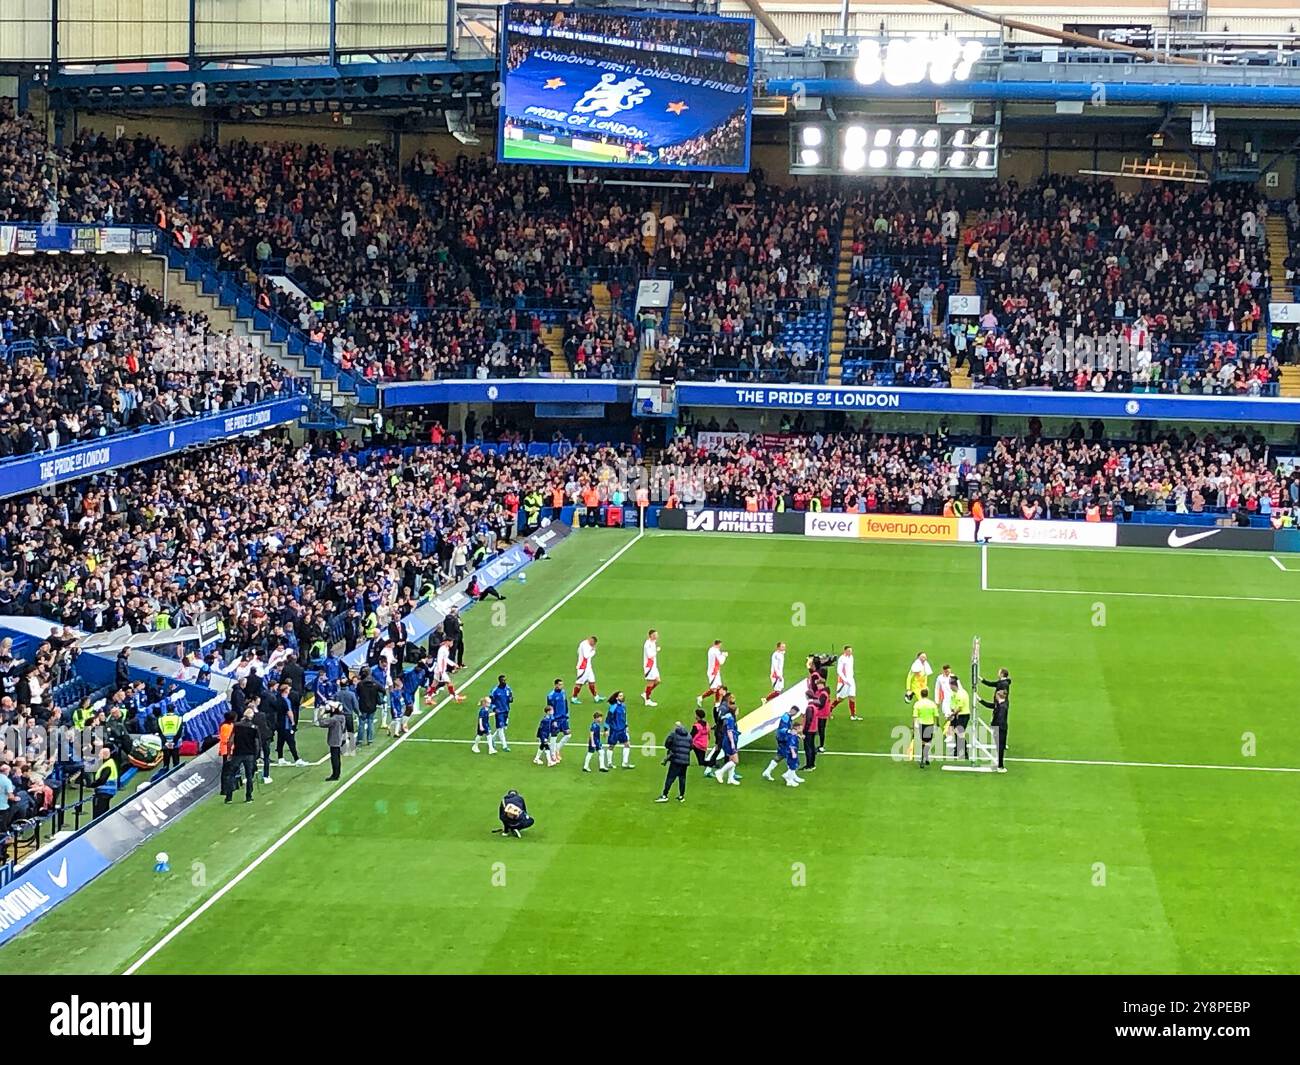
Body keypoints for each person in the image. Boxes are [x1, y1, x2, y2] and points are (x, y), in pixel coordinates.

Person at [271, 683, 307, 766]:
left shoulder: (278, 699)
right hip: (286, 724)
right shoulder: (286, 700)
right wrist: (293, 722)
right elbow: (289, 712)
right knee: (291, 742)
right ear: (285, 690)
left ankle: (280, 758)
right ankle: (297, 759)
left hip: (279, 723)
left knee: (280, 741)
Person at [656, 721, 692, 802]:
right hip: (685, 760)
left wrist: (672, 749)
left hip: (676, 759)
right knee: (682, 778)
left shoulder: (673, 734)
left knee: (670, 778)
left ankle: (665, 795)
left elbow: (667, 744)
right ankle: (681, 796)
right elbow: (691, 746)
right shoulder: (689, 736)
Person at [230, 709, 260, 802]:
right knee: (249, 776)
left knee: (232, 774)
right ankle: (248, 796)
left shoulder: (236, 725)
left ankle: (228, 796)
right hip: (249, 754)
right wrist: (257, 755)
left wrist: (229, 752)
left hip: (237, 753)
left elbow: (231, 740)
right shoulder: (254, 727)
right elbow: (257, 743)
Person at [978, 685, 1010, 772]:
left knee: (1000, 747)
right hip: (1000, 728)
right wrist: (981, 700)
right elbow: (991, 705)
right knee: (998, 746)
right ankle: (999, 764)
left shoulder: (1002, 707)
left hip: (1000, 729)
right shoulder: (1001, 704)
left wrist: (995, 726)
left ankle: (1000, 766)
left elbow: (1000, 718)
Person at [83, 746, 119, 818]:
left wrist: (91, 785)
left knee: (98, 813)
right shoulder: (110, 762)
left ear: (103, 755)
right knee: (105, 812)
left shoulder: (107, 766)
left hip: (103, 792)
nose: (98, 755)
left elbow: (102, 780)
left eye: (100, 754)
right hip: (108, 792)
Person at [315, 701, 346, 781]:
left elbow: (322, 723)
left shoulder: (334, 719)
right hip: (339, 739)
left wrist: (321, 714)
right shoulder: (342, 717)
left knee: (334, 758)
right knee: (337, 758)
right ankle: (337, 773)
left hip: (334, 740)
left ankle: (335, 775)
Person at [829, 645, 860, 722]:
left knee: (852, 696)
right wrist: (845, 680)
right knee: (840, 699)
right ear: (845, 651)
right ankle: (828, 710)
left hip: (851, 680)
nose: (850, 652)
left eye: (851, 651)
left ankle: (853, 715)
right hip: (844, 682)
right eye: (849, 651)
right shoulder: (842, 659)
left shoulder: (851, 657)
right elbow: (839, 671)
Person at [713, 699, 740, 785]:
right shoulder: (731, 719)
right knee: (735, 761)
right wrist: (732, 743)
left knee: (731, 760)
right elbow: (729, 732)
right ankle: (720, 772)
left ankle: (730, 779)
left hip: (728, 740)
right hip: (729, 742)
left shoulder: (728, 717)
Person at [604, 690, 633, 769]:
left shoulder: (623, 706)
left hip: (622, 730)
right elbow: (608, 718)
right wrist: (606, 729)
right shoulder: (613, 707)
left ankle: (625, 763)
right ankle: (609, 763)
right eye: (620, 696)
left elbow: (624, 717)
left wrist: (626, 726)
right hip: (614, 730)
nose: (622, 697)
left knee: (627, 744)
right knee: (611, 746)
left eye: (622, 695)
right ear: (616, 698)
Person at [912, 687, 940, 768]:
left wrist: (913, 727)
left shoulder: (918, 704)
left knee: (923, 742)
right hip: (930, 724)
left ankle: (924, 758)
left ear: (921, 694)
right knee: (928, 742)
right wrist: (937, 723)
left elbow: (914, 716)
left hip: (922, 724)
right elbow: (936, 715)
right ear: (927, 694)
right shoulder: (932, 704)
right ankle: (925, 758)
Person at [697, 639, 728, 708]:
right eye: (720, 645)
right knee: (715, 688)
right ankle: (704, 699)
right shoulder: (716, 651)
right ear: (718, 644)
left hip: (714, 671)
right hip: (714, 672)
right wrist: (724, 655)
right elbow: (721, 662)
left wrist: (721, 654)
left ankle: (715, 703)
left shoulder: (711, 649)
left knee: (718, 687)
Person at [336, 675, 360, 756]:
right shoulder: (351, 694)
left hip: (339, 715)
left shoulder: (337, 694)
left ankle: (343, 749)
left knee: (342, 732)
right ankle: (352, 748)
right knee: (351, 732)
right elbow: (355, 705)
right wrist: (358, 713)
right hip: (349, 715)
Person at [356, 668, 380, 747]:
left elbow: (357, 693)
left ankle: (359, 740)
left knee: (361, 724)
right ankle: (370, 740)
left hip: (363, 706)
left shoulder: (360, 684)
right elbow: (383, 690)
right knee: (370, 722)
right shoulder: (375, 683)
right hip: (372, 706)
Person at [572, 635, 600, 703]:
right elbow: (586, 656)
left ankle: (596, 697)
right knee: (579, 683)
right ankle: (574, 698)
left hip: (588, 667)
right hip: (583, 668)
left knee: (592, 682)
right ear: (591, 641)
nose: (593, 645)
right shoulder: (585, 646)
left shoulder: (583, 643)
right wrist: (593, 651)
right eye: (593, 644)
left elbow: (578, 651)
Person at [948, 678, 971, 760]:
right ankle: (957, 750)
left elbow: (960, 708)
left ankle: (965, 752)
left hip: (963, 715)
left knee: (959, 733)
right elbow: (954, 704)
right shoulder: (956, 693)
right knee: (957, 733)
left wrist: (952, 714)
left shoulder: (961, 694)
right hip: (959, 715)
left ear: (953, 685)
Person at [156, 701, 183, 771]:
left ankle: (165, 769)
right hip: (175, 742)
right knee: (176, 762)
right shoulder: (179, 718)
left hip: (165, 742)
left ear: (167, 709)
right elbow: (180, 732)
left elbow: (160, 732)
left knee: (166, 761)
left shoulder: (160, 719)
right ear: (174, 709)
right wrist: (174, 742)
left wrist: (166, 742)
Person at [489, 673, 512, 751]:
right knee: (501, 728)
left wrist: (511, 699)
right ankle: (504, 746)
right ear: (499, 681)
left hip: (506, 710)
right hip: (499, 712)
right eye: (503, 680)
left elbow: (510, 698)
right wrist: (494, 708)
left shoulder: (508, 688)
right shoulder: (495, 691)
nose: (504, 682)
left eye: (505, 680)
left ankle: (492, 739)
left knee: (503, 727)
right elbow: (491, 701)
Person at [641, 628, 661, 706]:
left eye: (656, 634)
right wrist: (657, 650)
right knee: (650, 683)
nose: (656, 636)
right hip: (649, 667)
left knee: (658, 681)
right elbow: (650, 655)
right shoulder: (648, 644)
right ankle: (647, 699)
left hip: (653, 666)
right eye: (654, 635)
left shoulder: (653, 642)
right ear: (650, 636)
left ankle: (645, 693)